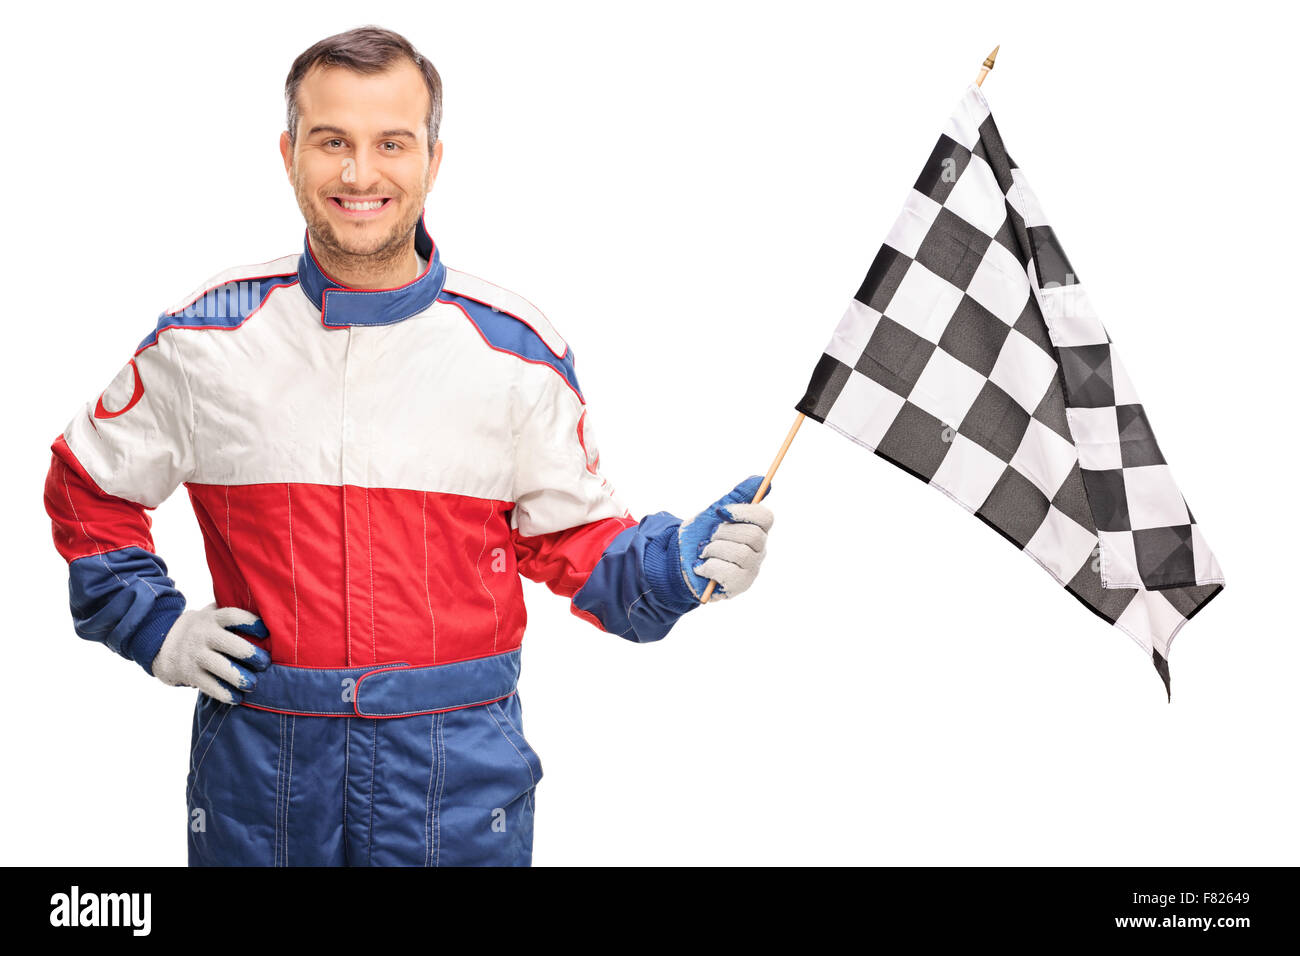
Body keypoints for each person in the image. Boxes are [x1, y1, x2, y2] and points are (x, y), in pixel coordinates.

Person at [42, 25, 774, 867]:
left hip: (455, 780)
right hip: (263, 775)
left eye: (391, 143)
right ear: (289, 154)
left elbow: (577, 540)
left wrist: (678, 567)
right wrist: (155, 628)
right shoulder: (207, 340)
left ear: (432, 158)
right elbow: (87, 487)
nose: (360, 175)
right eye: (332, 143)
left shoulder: (515, 352)